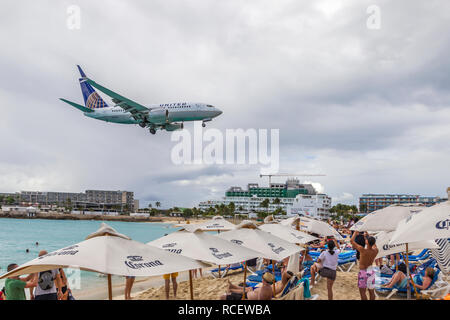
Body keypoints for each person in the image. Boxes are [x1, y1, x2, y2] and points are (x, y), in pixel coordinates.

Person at [351, 231, 379, 300]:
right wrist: (369, 236)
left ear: (367, 242)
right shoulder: (376, 250)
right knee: (371, 292)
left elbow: (351, 241)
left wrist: (355, 232)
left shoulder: (362, 250)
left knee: (362, 293)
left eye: (366, 240)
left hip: (363, 272)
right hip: (370, 271)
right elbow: (373, 244)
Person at [226, 270, 293, 297]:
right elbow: (284, 274)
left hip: (265, 292)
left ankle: (231, 290)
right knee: (248, 288)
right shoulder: (281, 282)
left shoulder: (283, 284)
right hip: (264, 288)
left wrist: (292, 276)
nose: (282, 272)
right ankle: (232, 286)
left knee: (248, 290)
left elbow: (284, 274)